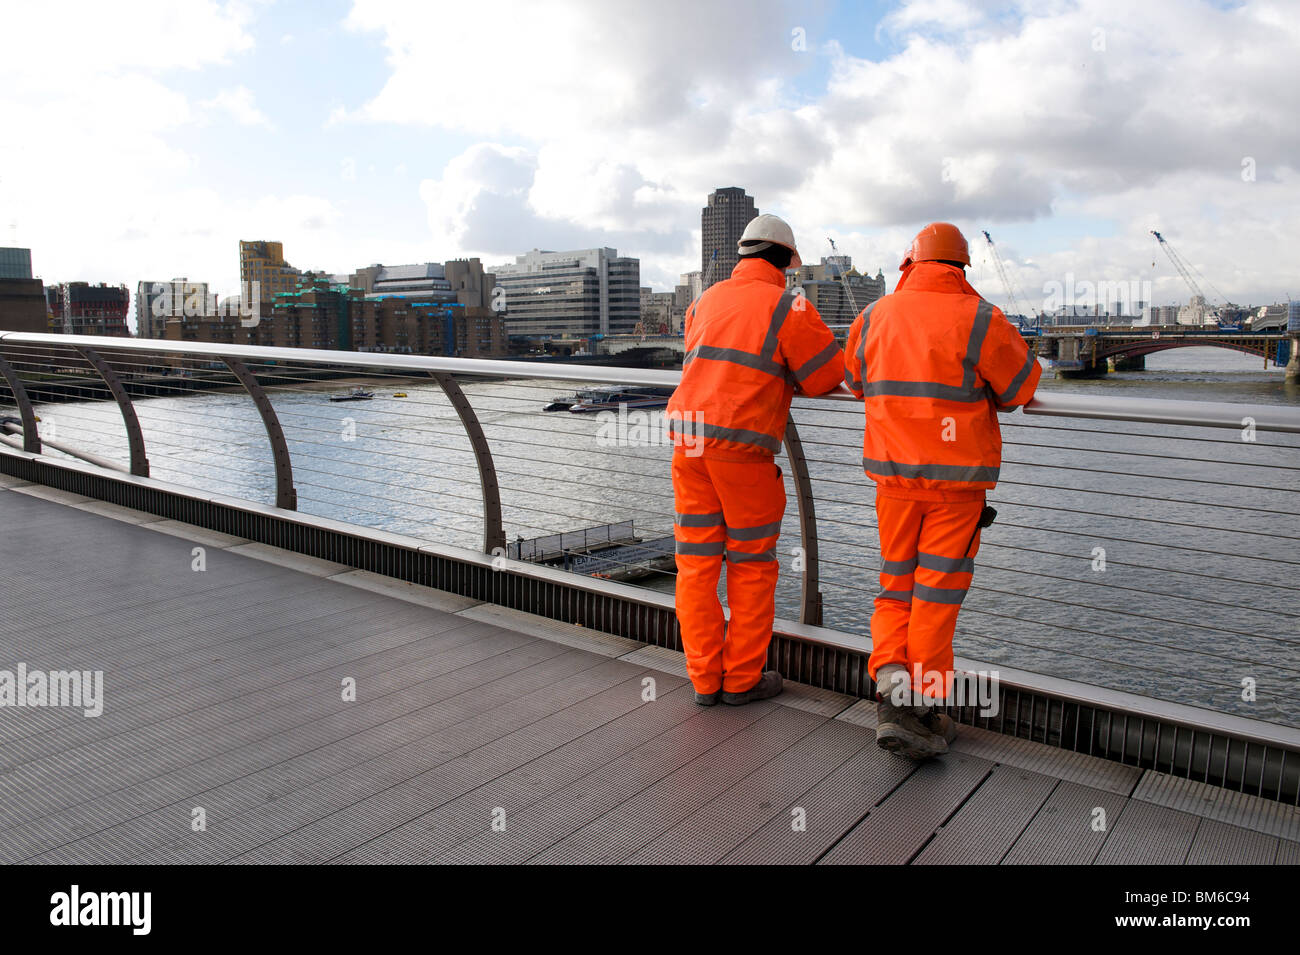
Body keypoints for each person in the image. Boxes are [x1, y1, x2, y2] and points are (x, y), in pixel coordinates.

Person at [842, 222, 1040, 758]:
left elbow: (855, 380)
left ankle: (890, 686)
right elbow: (1022, 387)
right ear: (961, 268)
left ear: (909, 264)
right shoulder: (982, 319)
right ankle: (921, 709)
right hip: (956, 488)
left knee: (895, 587)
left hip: (894, 482)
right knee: (935, 598)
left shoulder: (874, 315)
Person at [667, 214, 844, 706]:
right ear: (787, 260)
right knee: (750, 564)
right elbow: (825, 376)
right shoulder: (788, 306)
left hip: (690, 445)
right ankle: (741, 680)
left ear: (744, 253)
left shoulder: (704, 300)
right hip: (742, 451)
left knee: (696, 565)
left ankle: (704, 680)